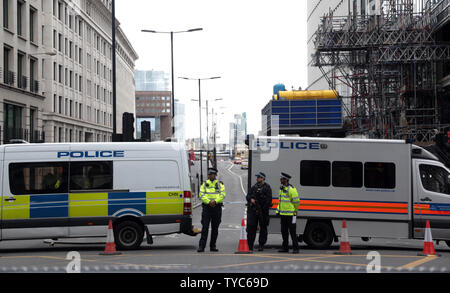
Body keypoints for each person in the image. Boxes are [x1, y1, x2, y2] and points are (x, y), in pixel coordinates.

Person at [198, 168, 226, 252]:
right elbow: (201, 195)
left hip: (216, 208)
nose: (211, 176)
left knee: (215, 228)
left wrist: (215, 201)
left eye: (213, 174)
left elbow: (222, 195)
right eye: (210, 174)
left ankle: (212, 246)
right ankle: (201, 246)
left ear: (215, 175)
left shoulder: (220, 184)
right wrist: (209, 202)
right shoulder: (204, 184)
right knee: (205, 227)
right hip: (207, 208)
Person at [246, 172, 272, 252]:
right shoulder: (254, 187)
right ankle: (250, 245)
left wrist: (262, 209)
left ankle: (261, 245)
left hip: (263, 211)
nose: (257, 178)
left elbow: (269, 200)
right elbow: (248, 196)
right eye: (257, 177)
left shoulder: (267, 187)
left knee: (263, 228)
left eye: (259, 177)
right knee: (251, 228)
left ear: (263, 178)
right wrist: (251, 199)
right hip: (253, 211)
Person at [276, 172, 300, 254]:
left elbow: (296, 201)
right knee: (284, 232)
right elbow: (280, 201)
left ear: (285, 180)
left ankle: (296, 248)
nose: (280, 179)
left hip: (291, 215)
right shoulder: (281, 188)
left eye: (281, 178)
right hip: (283, 215)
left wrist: (296, 211)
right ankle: (285, 247)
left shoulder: (291, 189)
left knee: (293, 232)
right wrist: (278, 210)